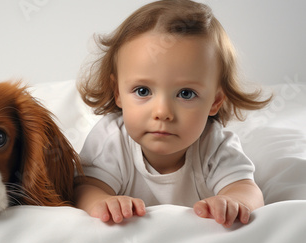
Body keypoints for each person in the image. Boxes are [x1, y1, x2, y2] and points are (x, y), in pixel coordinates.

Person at [74, 0, 272, 228]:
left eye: (186, 94)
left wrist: (234, 201)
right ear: (117, 92)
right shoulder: (111, 140)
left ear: (215, 101)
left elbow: (247, 189)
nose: (162, 112)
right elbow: (84, 188)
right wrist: (102, 202)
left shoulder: (214, 145)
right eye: (143, 91)